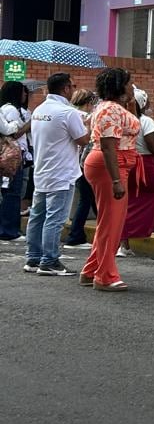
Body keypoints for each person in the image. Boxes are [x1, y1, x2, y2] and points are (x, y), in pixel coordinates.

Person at [80, 68, 140, 292]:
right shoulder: (109, 110)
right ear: (119, 86)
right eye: (129, 82)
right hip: (111, 167)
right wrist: (116, 180)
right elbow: (108, 146)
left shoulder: (111, 108)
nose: (132, 86)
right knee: (111, 224)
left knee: (109, 222)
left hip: (114, 165)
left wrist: (132, 106)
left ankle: (91, 270)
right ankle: (104, 276)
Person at [24, 72, 90, 275]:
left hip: (42, 170)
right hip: (61, 173)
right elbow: (83, 140)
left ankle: (33, 257)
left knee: (37, 216)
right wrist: (87, 125)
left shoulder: (39, 110)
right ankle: (49, 260)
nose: (74, 89)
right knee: (55, 218)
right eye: (73, 85)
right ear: (65, 89)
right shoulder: (67, 112)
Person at [119, 87, 154, 259]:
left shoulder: (123, 120)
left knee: (132, 203)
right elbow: (152, 145)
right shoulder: (146, 121)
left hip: (128, 163)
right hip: (146, 164)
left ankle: (123, 244)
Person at [63, 89, 99, 249]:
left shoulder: (70, 114)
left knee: (89, 199)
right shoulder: (86, 118)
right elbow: (87, 142)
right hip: (85, 163)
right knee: (87, 200)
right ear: (89, 102)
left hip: (73, 162)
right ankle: (75, 236)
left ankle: (79, 234)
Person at [0, 81, 33, 240]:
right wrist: (30, 124)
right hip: (13, 156)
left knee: (10, 192)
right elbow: (15, 133)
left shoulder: (6, 109)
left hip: (11, 155)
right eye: (23, 92)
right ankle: (9, 230)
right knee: (13, 193)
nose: (25, 95)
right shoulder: (11, 110)